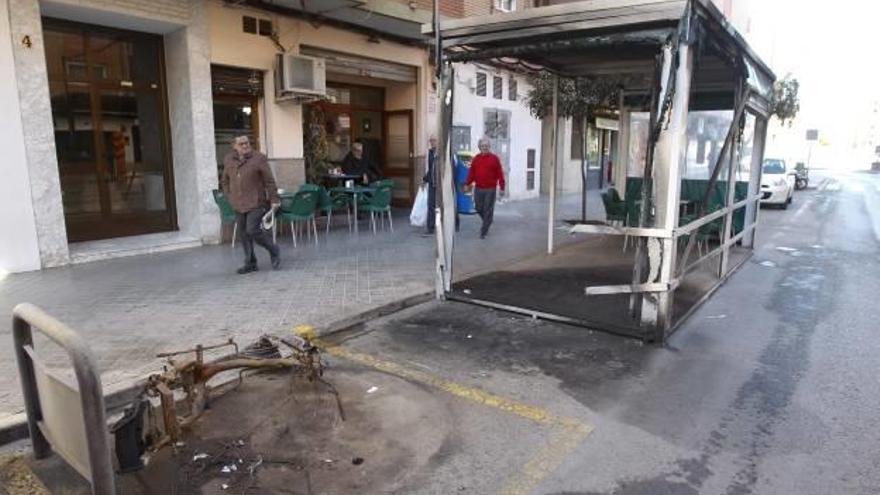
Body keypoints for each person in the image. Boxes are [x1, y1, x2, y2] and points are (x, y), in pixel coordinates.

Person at [221, 135, 281, 274]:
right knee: (244, 234)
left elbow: (269, 181)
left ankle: (273, 249)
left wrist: (274, 199)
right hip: (238, 203)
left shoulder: (259, 158)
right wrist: (229, 196)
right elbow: (224, 180)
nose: (245, 145)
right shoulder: (229, 159)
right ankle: (251, 263)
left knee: (252, 230)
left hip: (256, 202)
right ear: (234, 146)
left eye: (247, 143)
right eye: (241, 144)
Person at [465, 137, 505, 239]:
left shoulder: (494, 159)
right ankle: (488, 220)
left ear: (489, 147)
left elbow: (500, 173)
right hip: (478, 188)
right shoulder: (476, 159)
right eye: (483, 146)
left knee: (487, 209)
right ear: (479, 147)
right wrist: (467, 183)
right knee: (478, 208)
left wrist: (502, 187)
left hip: (490, 189)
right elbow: (471, 173)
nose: (485, 148)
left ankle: (484, 230)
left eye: (486, 146)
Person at [422, 135, 438, 235]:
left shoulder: (441, 152)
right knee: (431, 205)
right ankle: (430, 228)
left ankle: (451, 223)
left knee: (442, 206)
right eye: (430, 140)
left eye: (434, 140)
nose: (432, 142)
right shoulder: (430, 152)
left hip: (440, 184)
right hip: (432, 183)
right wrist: (425, 180)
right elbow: (431, 169)